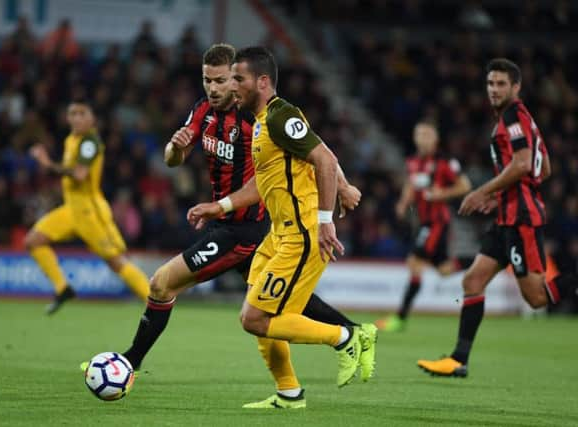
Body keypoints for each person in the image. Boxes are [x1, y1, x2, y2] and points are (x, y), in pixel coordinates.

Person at [116, 44, 365, 379]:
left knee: (162, 284)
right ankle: (347, 341)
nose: (215, 88)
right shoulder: (202, 111)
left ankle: (130, 363)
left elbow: (318, 150)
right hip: (231, 223)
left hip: (245, 228)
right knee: (285, 303)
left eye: (222, 80)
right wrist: (175, 147)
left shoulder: (256, 115)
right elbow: (172, 160)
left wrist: (344, 186)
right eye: (208, 80)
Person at [187, 46, 377, 408]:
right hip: (278, 233)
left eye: (238, 79)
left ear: (261, 81)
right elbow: (266, 181)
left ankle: (346, 336)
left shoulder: (279, 116)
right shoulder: (263, 123)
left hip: (301, 233)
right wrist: (220, 206)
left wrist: (325, 222)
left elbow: (323, 158)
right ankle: (289, 393)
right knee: (255, 309)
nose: (232, 87)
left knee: (256, 319)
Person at [417, 58, 577, 377]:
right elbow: (542, 169)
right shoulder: (517, 118)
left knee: (535, 298)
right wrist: (500, 195)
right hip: (505, 218)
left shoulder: (515, 116)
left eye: (501, 84)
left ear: (516, 87)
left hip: (521, 220)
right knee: (472, 280)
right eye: (490, 83)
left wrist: (482, 192)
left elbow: (522, 164)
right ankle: (458, 360)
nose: (494, 89)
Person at [26, 101, 150, 314]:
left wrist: (47, 164)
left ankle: (154, 301)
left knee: (116, 262)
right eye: (72, 113)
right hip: (70, 209)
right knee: (33, 241)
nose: (76, 118)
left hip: (89, 211)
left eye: (81, 114)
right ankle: (63, 289)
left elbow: (80, 174)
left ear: (92, 119)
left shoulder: (89, 142)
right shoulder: (71, 140)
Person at [376, 121, 471, 332]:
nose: (423, 138)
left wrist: (442, 194)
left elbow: (465, 185)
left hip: (437, 222)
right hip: (425, 222)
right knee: (445, 270)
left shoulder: (445, 162)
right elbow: (412, 185)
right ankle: (483, 259)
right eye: (419, 134)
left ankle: (400, 318)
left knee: (414, 261)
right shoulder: (413, 162)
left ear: (436, 139)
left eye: (427, 134)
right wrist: (403, 202)